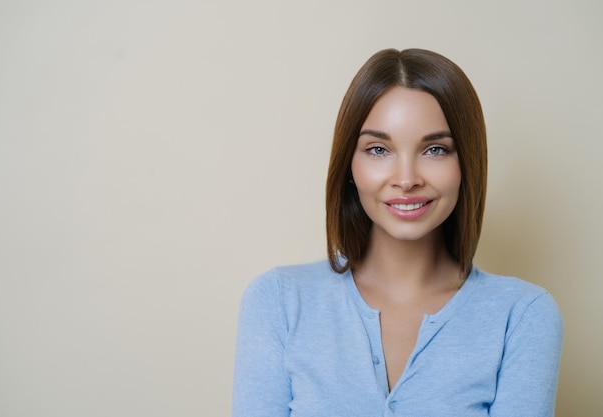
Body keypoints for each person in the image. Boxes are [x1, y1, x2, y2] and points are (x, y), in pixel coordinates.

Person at [232, 48, 563, 417]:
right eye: (378, 149)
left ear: (467, 163)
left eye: (435, 149)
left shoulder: (522, 317)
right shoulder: (278, 302)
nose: (406, 180)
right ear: (349, 165)